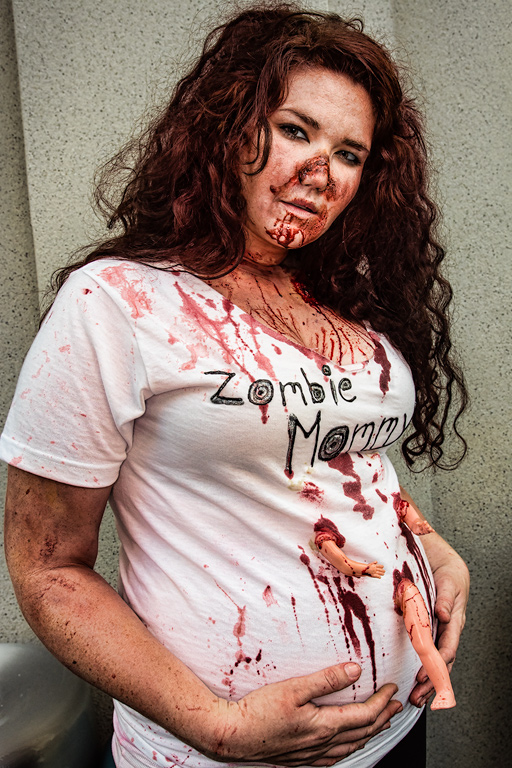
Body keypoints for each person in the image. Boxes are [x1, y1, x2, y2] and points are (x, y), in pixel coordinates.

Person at [1, 4, 470, 768]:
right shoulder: (118, 302)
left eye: (349, 153)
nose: (320, 172)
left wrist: (435, 550)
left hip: (396, 727)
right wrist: (215, 725)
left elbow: (339, 460)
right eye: (295, 130)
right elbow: (47, 567)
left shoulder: (344, 303)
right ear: (228, 131)